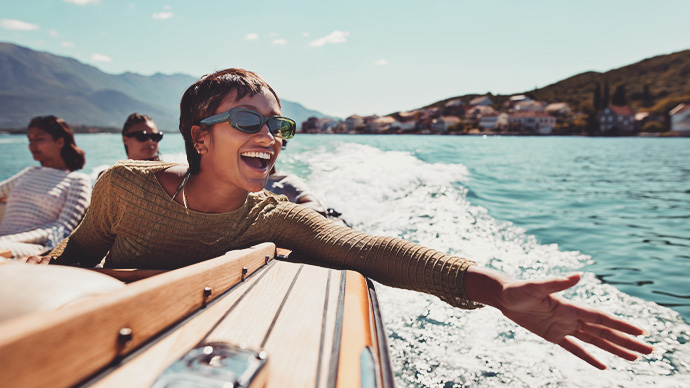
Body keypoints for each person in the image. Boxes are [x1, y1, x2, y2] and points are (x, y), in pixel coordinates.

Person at [20, 69, 652, 369]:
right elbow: (80, 253)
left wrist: (498, 290)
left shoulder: (272, 218)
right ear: (199, 138)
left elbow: (370, 250)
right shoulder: (122, 185)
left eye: (278, 125)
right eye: (247, 121)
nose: (270, 135)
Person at [0, 116, 91, 258]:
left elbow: (62, 228)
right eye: (30, 140)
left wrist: (7, 239)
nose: (32, 145)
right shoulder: (29, 172)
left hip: (36, 249)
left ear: (60, 142)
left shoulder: (77, 181)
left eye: (39, 139)